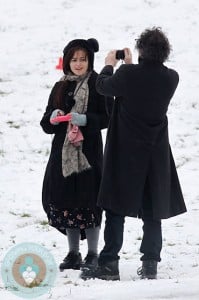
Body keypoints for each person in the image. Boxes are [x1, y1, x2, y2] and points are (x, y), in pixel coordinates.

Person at [85, 27, 187, 281]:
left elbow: (103, 86)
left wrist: (110, 65)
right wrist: (128, 67)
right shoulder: (171, 78)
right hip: (155, 153)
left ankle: (109, 264)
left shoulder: (128, 75)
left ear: (142, 49)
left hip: (125, 152)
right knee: (153, 210)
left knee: (116, 207)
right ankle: (150, 263)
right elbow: (140, 84)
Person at [40, 38, 113, 275]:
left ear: (89, 61)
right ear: (67, 61)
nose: (78, 63)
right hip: (62, 156)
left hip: (88, 155)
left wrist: (86, 120)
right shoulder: (60, 86)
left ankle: (93, 253)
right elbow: (45, 123)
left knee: (89, 202)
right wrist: (53, 117)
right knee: (67, 202)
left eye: (83, 59)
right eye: (74, 59)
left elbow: (107, 117)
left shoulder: (97, 84)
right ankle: (73, 252)